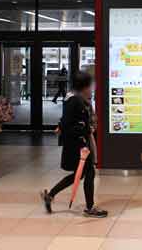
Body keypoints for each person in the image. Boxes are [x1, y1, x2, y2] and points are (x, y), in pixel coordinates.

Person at [41, 71, 107, 218]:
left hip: (79, 142)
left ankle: (50, 195)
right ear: (83, 86)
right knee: (88, 173)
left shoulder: (75, 98)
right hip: (79, 145)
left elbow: (67, 120)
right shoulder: (74, 100)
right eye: (90, 86)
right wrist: (86, 128)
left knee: (80, 174)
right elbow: (68, 124)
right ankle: (90, 208)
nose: (92, 88)